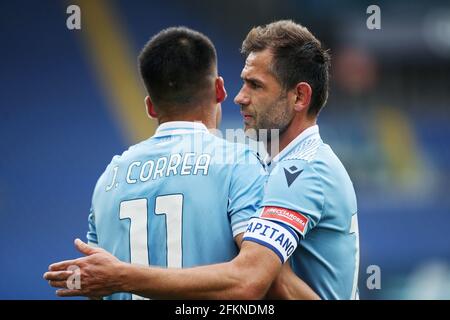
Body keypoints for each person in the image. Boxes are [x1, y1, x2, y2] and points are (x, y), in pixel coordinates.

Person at [45, 20, 359, 300]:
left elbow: (253, 279)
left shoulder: (108, 178)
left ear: (300, 97)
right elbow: (264, 282)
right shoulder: (245, 164)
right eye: (242, 83)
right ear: (218, 89)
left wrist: (122, 276)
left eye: (255, 85)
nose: (240, 97)